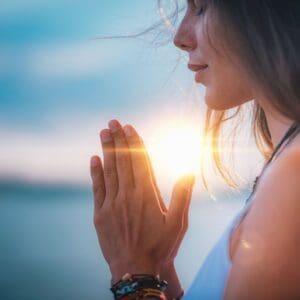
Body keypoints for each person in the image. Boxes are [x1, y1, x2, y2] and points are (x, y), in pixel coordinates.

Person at [89, 1, 300, 299]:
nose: (179, 37)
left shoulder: (293, 181)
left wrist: (132, 273)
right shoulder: (285, 170)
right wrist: (158, 268)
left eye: (200, 8)